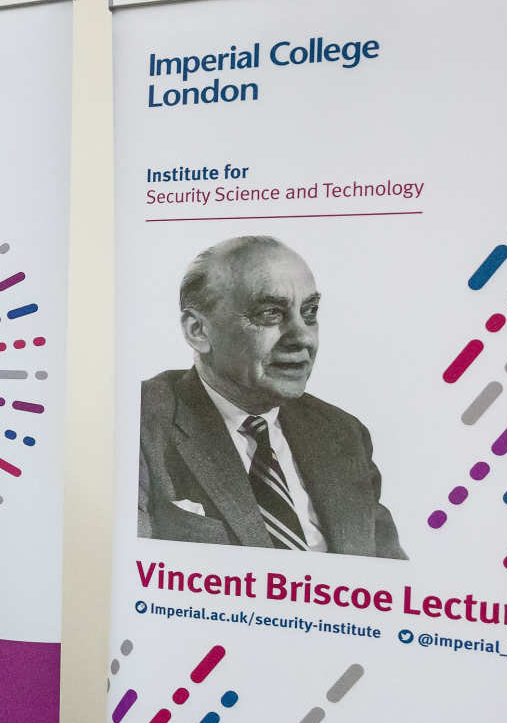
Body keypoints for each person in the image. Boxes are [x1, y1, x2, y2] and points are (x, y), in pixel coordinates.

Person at [139, 235, 404, 558]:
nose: (302, 337)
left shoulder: (343, 434)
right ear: (198, 331)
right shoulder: (141, 423)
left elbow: (389, 575)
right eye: (270, 313)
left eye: (310, 312)